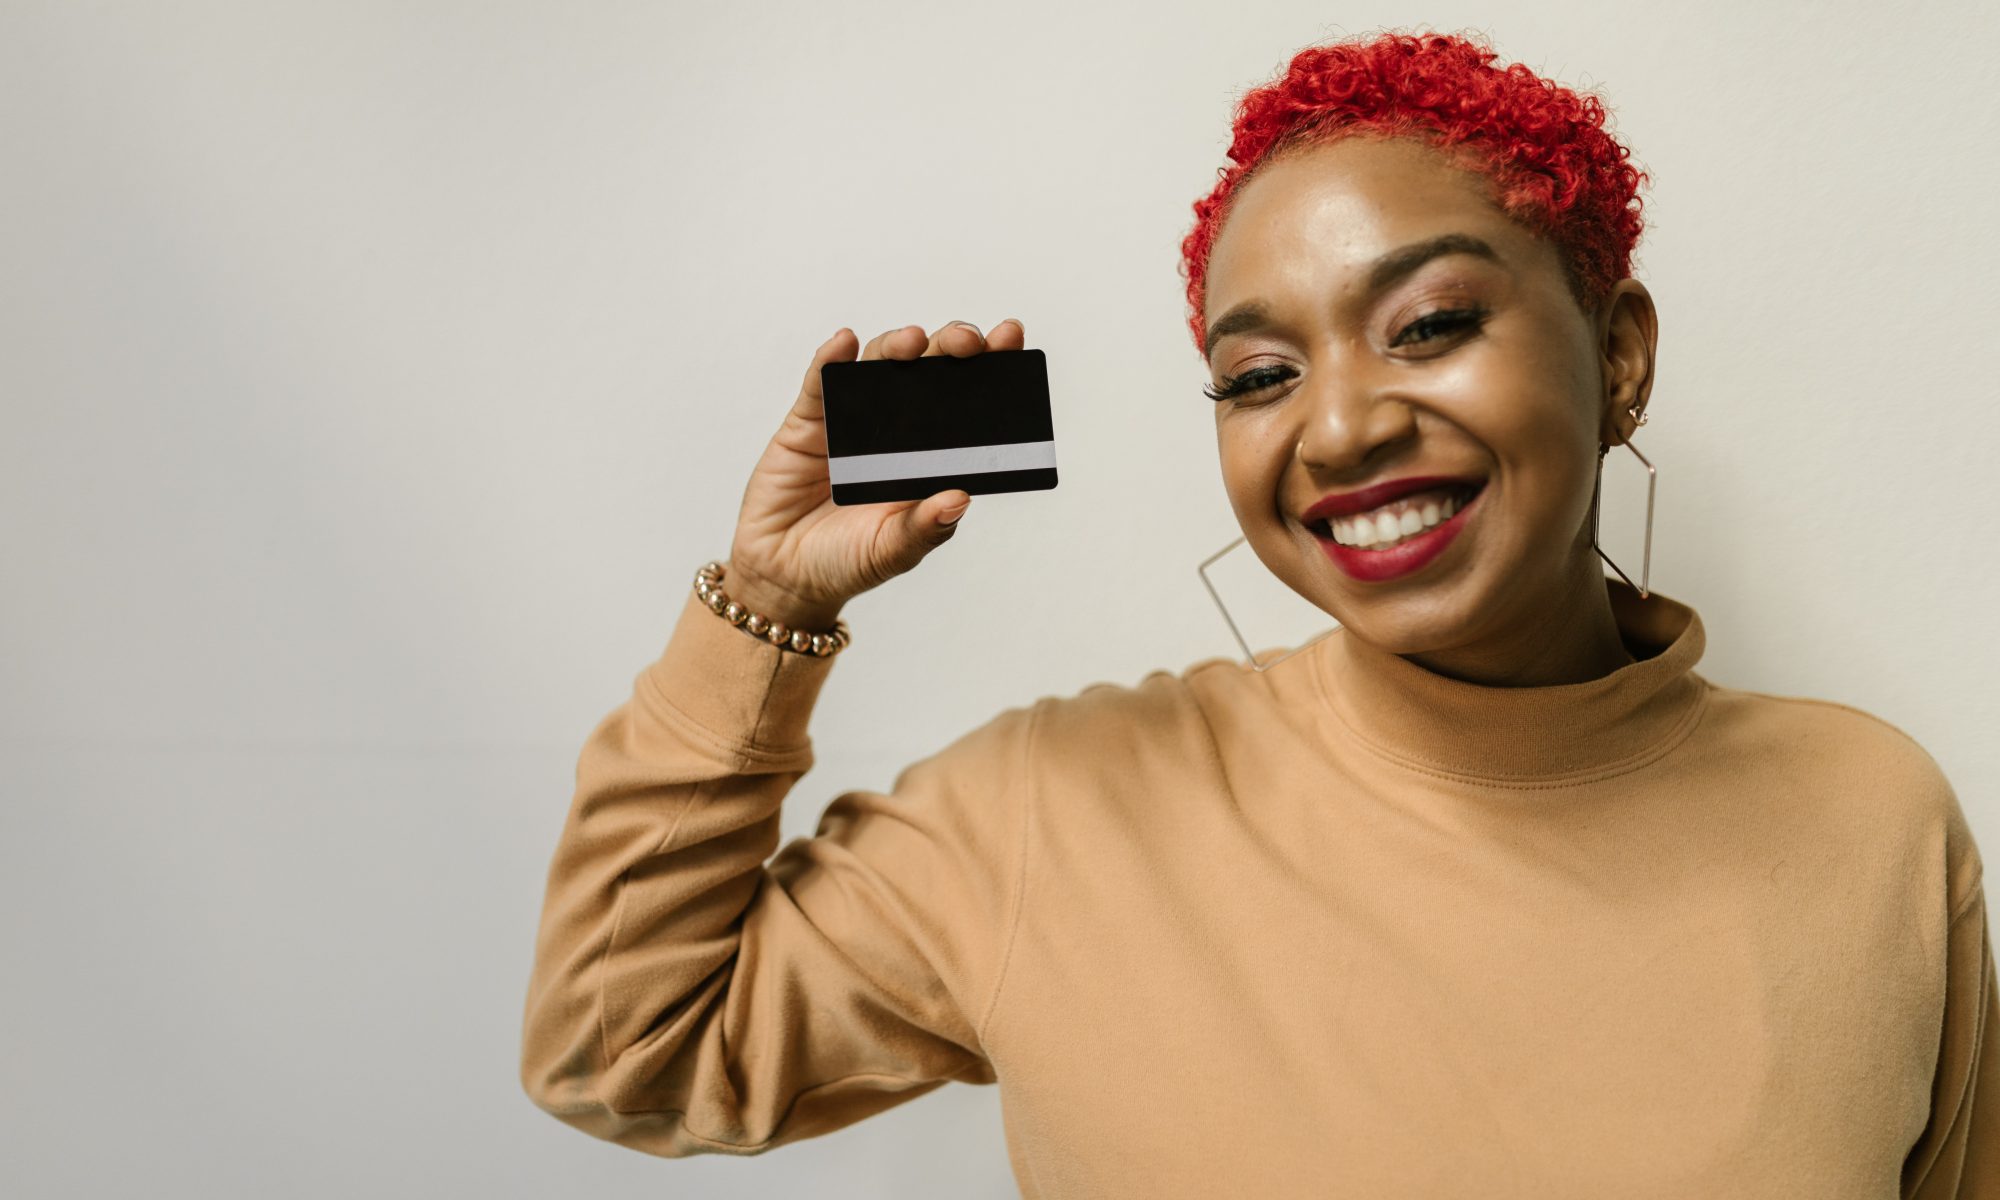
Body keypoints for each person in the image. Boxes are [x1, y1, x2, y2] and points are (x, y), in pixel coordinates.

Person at [518, 28, 1995, 1197]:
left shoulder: (1873, 820)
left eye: (1428, 324)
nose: (1339, 429)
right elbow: (619, 1051)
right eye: (1259, 375)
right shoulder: (1056, 810)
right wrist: (761, 615)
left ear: (1618, 356)